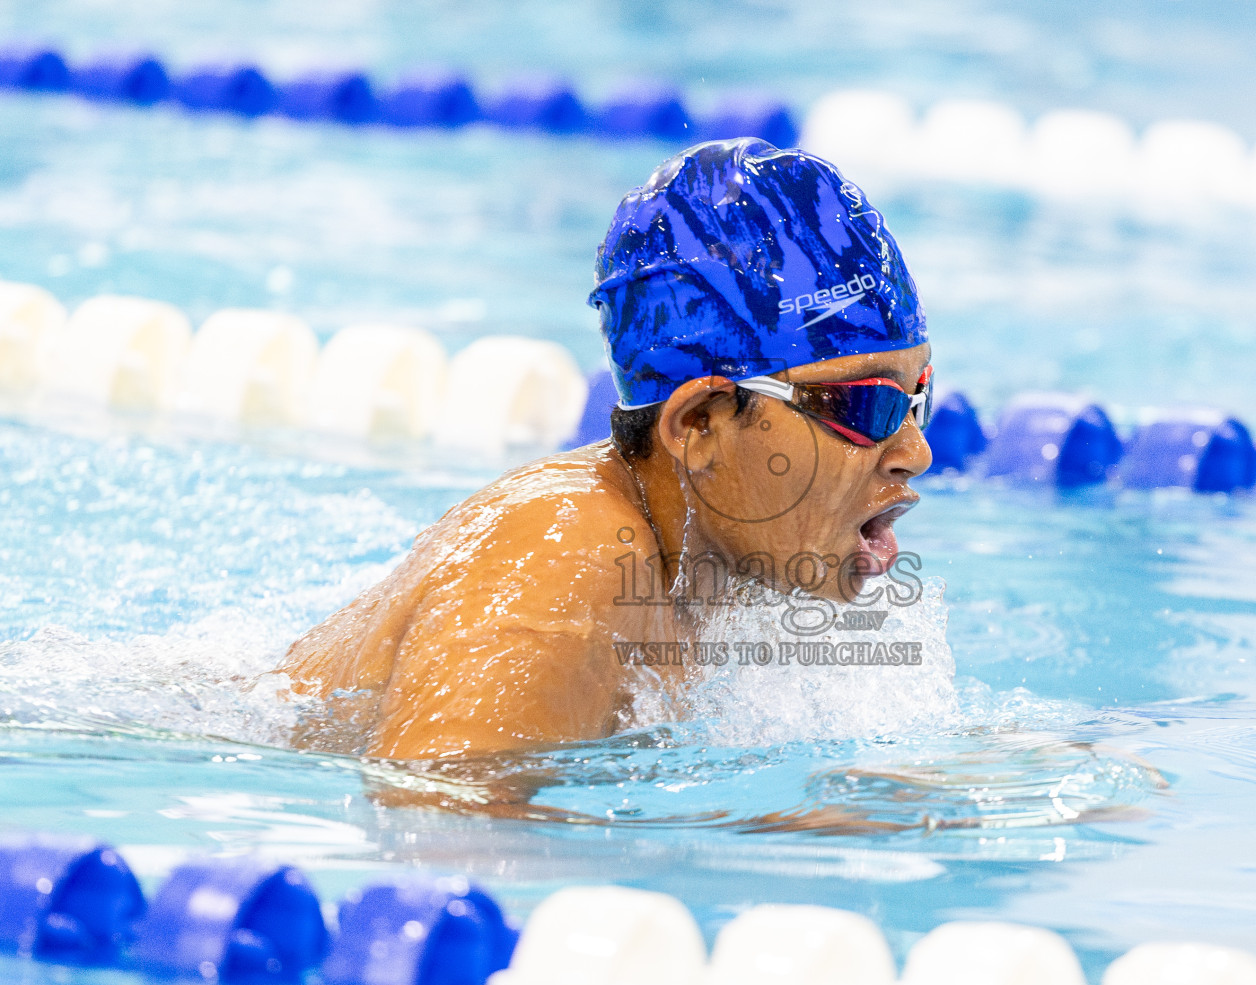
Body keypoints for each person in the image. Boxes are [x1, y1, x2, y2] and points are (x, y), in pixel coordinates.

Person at [280, 138, 934, 763]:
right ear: (699, 424)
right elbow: (435, 828)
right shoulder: (559, 569)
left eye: (917, 400)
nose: (916, 451)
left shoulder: (718, 562)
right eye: (863, 405)